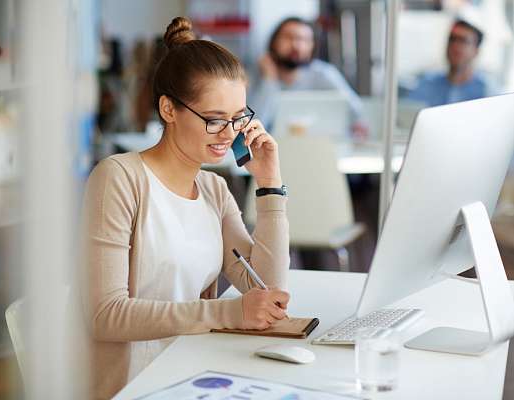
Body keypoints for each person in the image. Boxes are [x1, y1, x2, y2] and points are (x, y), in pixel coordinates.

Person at [79, 17, 291, 399]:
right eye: (213, 120)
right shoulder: (119, 179)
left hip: (194, 377)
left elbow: (266, 289)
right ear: (169, 109)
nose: (229, 135)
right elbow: (105, 316)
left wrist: (270, 185)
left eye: (238, 119)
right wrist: (228, 313)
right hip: (132, 387)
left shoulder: (213, 189)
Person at [249, 16, 366, 137]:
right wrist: (269, 80)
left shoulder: (324, 74)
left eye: (304, 40)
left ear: (312, 46)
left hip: (319, 147)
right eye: (288, 37)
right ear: (274, 42)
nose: (296, 45)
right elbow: (252, 125)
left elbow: (356, 113)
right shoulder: (257, 76)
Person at [407, 19, 495, 106]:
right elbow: (408, 113)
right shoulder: (428, 83)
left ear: (476, 51)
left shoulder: (488, 93)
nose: (455, 46)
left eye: (463, 41)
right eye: (452, 39)